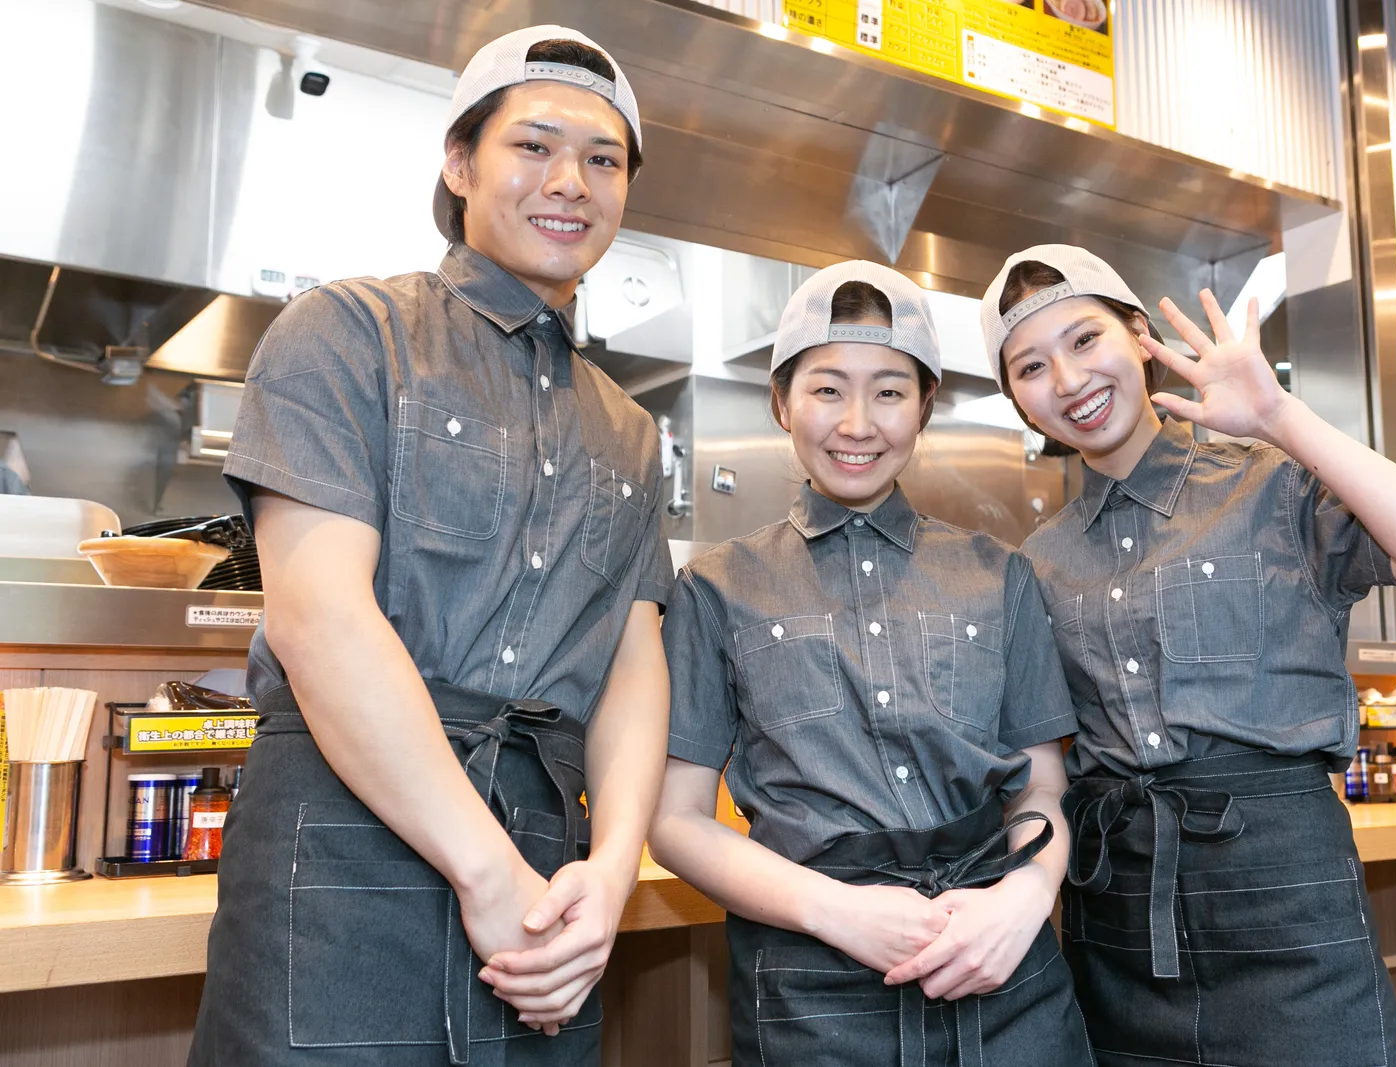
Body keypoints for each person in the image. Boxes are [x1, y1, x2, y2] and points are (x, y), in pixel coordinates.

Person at [189, 26, 671, 1067]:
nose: (570, 182)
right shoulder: (347, 331)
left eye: (602, 160)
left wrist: (614, 864)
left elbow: (632, 658)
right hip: (343, 835)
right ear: (459, 165)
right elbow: (318, 616)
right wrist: (485, 872)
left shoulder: (631, 428)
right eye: (533, 147)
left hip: (550, 867)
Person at [980, 244, 1396, 1067]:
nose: (1069, 379)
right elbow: (1041, 768)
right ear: (1016, 397)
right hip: (1115, 916)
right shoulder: (1037, 561)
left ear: (1140, 335)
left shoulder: (1271, 481)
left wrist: (1279, 416)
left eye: (1085, 340)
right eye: (1031, 366)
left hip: (1289, 901)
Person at [648, 261, 1096, 1066]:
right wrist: (835, 911)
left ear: (925, 407)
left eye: (890, 391)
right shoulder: (715, 588)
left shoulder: (1001, 573)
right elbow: (676, 821)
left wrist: (1028, 895)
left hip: (995, 955)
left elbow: (1043, 785)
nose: (858, 422)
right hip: (812, 977)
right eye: (827, 389)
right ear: (781, 402)